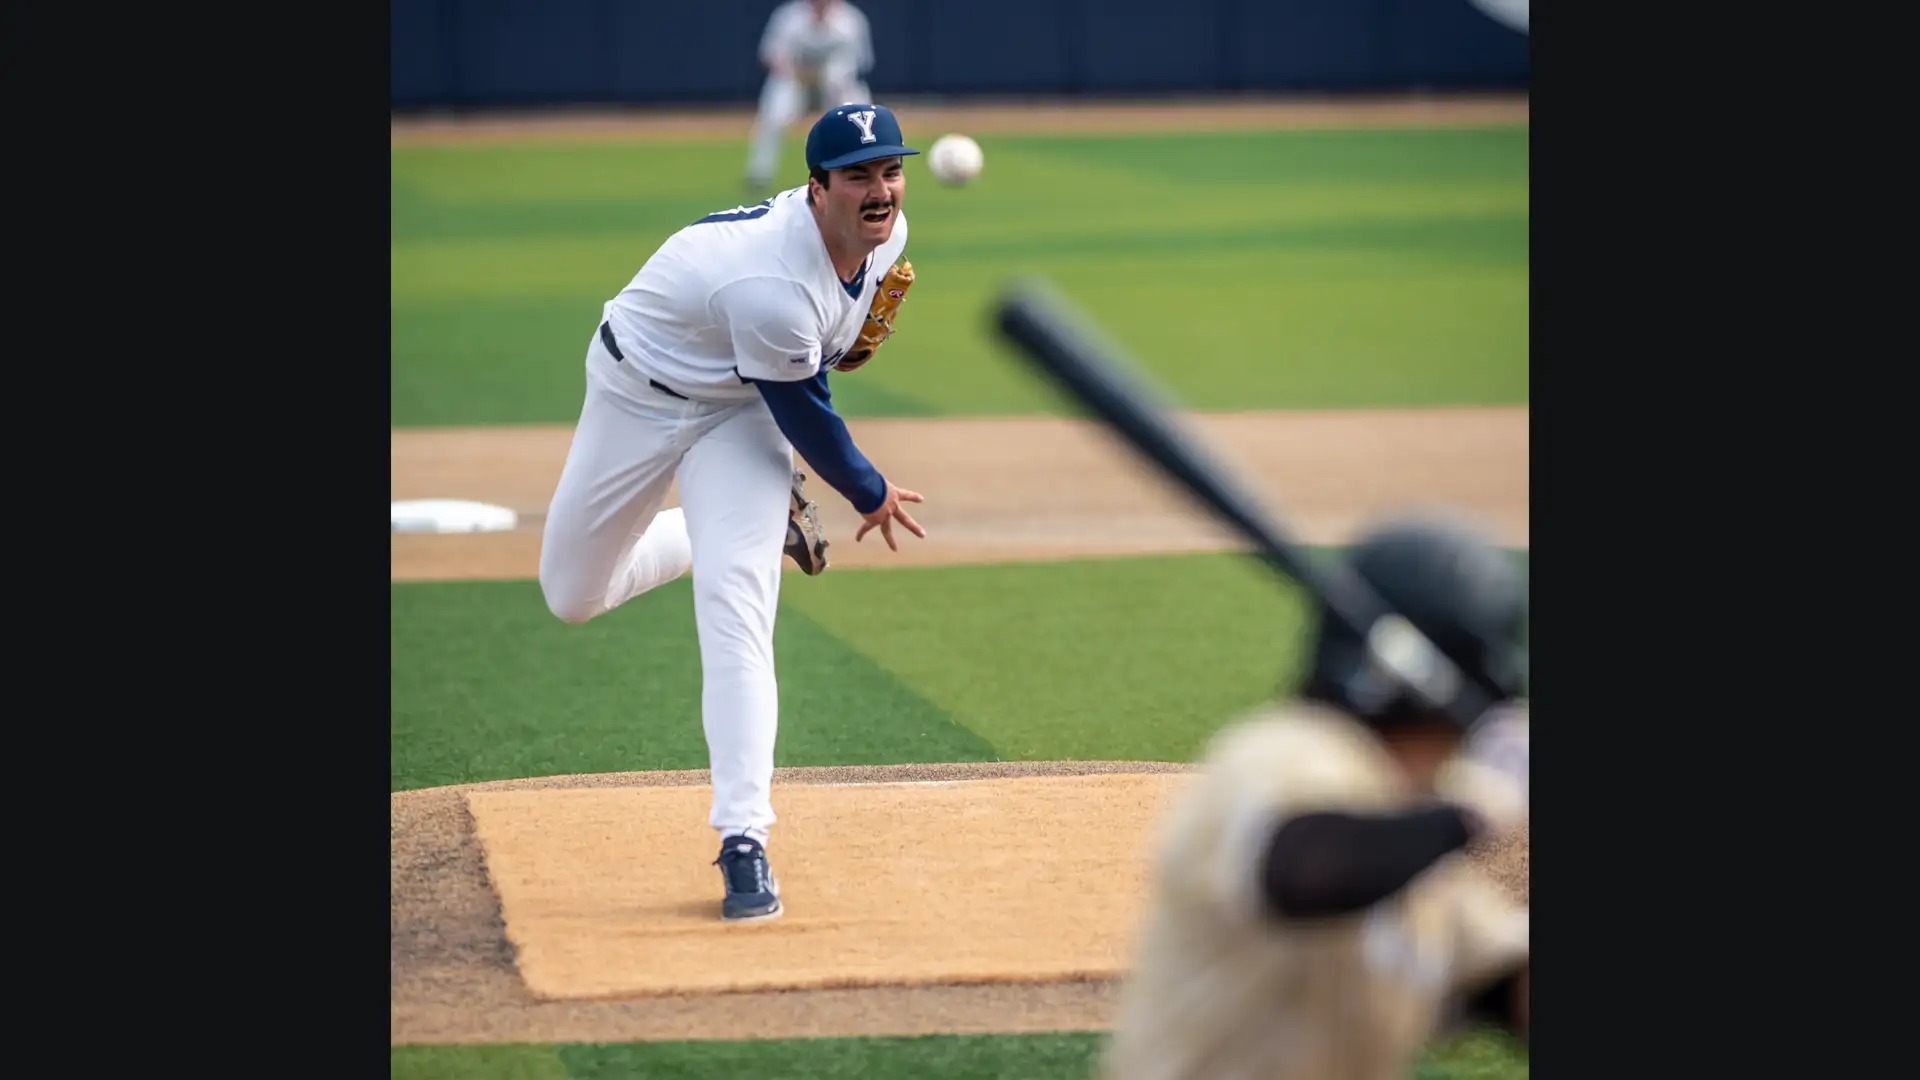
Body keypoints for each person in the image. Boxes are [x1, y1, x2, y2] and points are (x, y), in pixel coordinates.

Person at [538, 103, 927, 922]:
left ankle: (743, 838)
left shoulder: (887, 232)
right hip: (637, 393)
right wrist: (869, 490)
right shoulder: (770, 284)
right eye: (859, 175)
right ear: (816, 188)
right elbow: (807, 412)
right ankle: (731, 534)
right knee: (572, 595)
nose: (881, 189)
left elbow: (826, 350)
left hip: (739, 411)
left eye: (891, 170)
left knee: (736, 607)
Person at [1100, 512, 1532, 1080]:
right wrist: (1482, 805)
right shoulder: (1281, 753)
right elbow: (1302, 868)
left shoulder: (1413, 840)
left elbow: (1502, 985)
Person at [745, 0, 875, 192]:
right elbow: (771, 55)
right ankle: (759, 173)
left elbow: (860, 61)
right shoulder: (789, 16)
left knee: (859, 110)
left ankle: (865, 165)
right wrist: (797, 72)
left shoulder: (850, 20)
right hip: (795, 79)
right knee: (773, 113)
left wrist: (830, 75)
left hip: (833, 82)